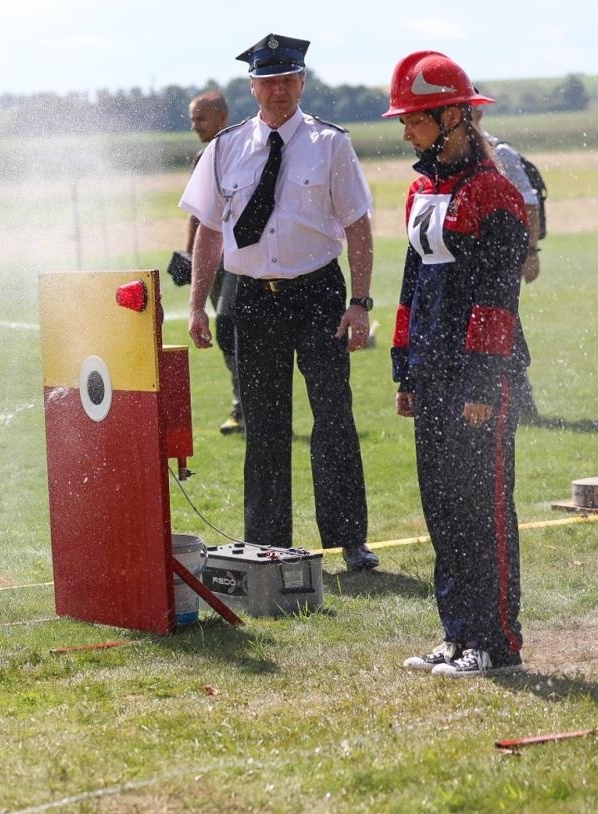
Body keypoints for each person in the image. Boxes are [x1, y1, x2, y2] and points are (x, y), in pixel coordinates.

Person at [179, 34, 380, 572]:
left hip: (318, 294)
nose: (279, 90)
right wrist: (198, 305)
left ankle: (350, 540)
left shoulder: (330, 143)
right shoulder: (225, 148)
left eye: (288, 80)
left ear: (302, 82)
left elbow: (358, 225)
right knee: (264, 427)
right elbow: (209, 231)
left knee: (333, 416)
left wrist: (360, 301)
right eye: (268, 82)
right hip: (251, 299)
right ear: (253, 87)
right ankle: (268, 545)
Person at [384, 52, 530, 679]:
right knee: (442, 506)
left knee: (482, 509)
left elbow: (498, 296)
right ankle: (458, 634)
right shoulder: (422, 189)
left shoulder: (495, 193)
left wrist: (480, 382)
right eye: (404, 121)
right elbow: (412, 284)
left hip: (480, 378)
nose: (406, 132)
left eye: (415, 120)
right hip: (432, 371)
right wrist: (405, 368)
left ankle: (497, 643)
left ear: (452, 117)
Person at [180, 90, 244, 435]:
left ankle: (245, 406)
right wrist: (188, 254)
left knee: (228, 324)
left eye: (201, 119)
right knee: (226, 331)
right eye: (192, 120)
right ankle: (244, 404)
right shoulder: (201, 157)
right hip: (212, 261)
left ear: (222, 117)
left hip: (238, 257)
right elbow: (198, 214)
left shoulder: (242, 150)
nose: (195, 126)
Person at [483, 131, 543, 423]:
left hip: (504, 261)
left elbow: (529, 203)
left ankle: (521, 404)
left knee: (506, 330)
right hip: (480, 261)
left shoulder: (501, 152)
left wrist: (530, 252)